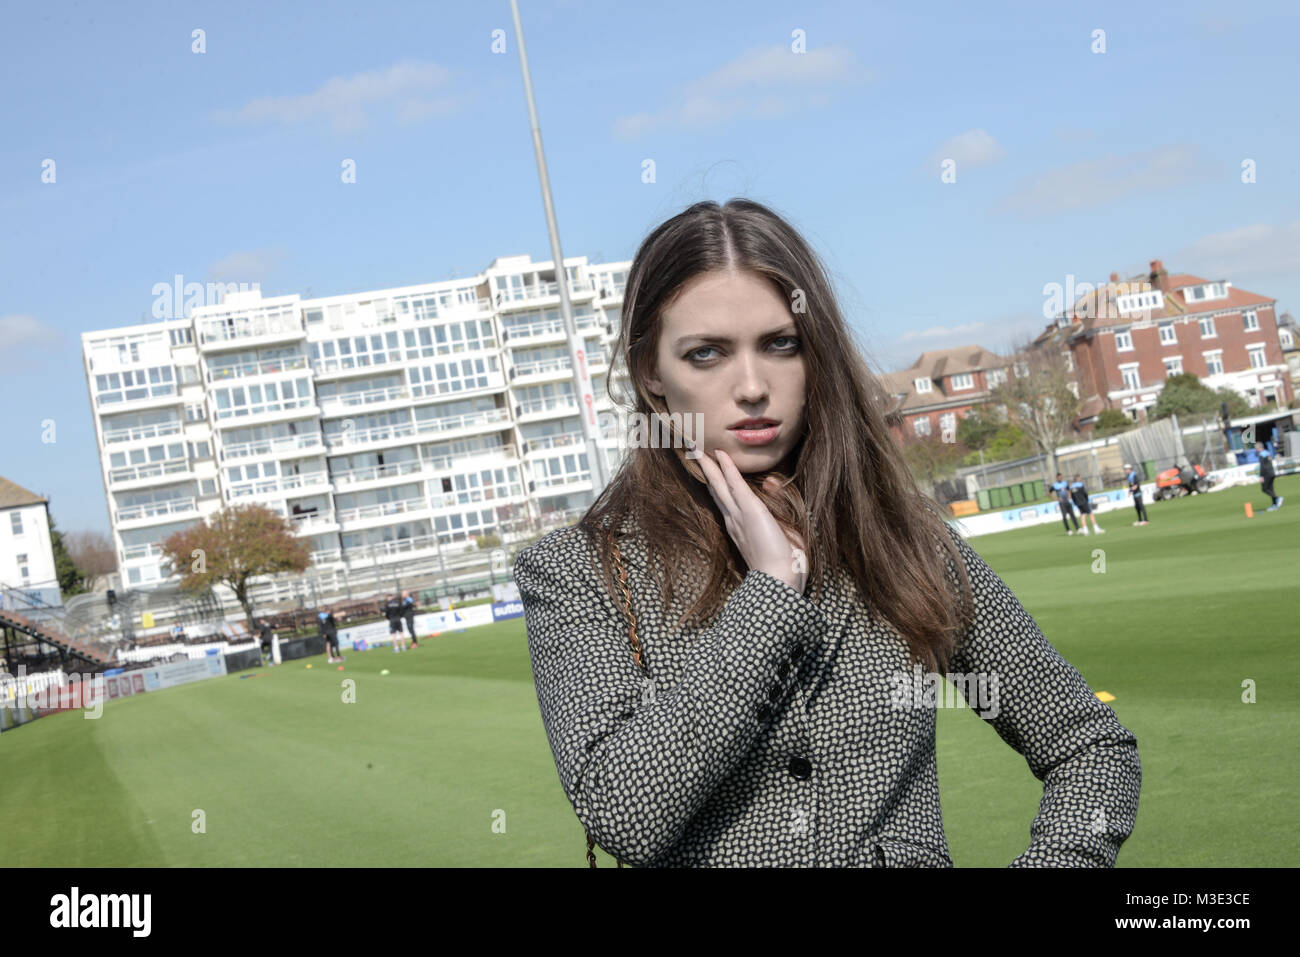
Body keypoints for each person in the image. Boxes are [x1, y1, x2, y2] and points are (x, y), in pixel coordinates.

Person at [515, 198, 1141, 868]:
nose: (752, 386)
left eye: (780, 344)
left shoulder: (902, 535)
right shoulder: (577, 570)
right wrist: (769, 597)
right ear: (651, 374)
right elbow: (624, 812)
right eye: (706, 354)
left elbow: (1089, 746)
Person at [1257, 442, 1284, 511]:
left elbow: (1263, 466)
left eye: (1256, 448)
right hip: (1272, 473)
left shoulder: (1261, 455)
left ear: (1259, 448)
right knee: (1271, 489)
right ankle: (1274, 505)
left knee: (1264, 489)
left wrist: (1261, 476)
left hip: (1266, 474)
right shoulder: (1267, 453)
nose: (1256, 450)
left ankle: (1277, 498)